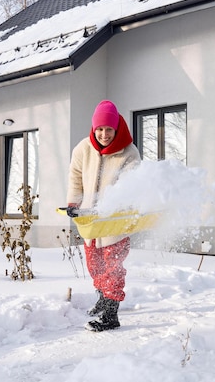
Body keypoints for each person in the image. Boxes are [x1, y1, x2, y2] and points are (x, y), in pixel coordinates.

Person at [65, 100, 141, 332]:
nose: (104, 134)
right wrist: (73, 201)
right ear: (94, 128)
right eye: (100, 129)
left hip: (115, 221)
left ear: (116, 128)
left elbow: (130, 185)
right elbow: (75, 177)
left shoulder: (129, 152)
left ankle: (111, 311)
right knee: (94, 265)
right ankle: (103, 297)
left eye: (109, 129)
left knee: (112, 266)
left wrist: (111, 206)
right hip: (91, 222)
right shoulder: (83, 148)